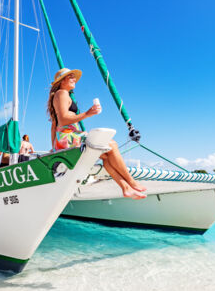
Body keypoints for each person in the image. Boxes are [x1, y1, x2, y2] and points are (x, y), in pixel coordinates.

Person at [47, 68, 147, 199]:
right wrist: (87, 114)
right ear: (61, 81)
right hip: (68, 137)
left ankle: (126, 188)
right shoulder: (62, 93)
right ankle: (131, 182)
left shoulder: (61, 95)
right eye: (70, 76)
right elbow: (63, 119)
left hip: (66, 138)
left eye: (74, 77)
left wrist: (54, 147)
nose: (74, 79)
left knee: (107, 156)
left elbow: (54, 125)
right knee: (111, 144)